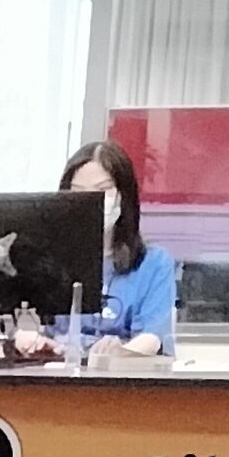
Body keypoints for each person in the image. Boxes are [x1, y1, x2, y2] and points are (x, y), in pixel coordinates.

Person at [62, 138, 179, 352]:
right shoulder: (52, 260)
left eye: (103, 190)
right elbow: (34, 327)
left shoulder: (154, 262)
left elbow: (153, 337)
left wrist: (120, 353)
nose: (90, 201)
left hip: (123, 379)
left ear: (124, 196)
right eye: (78, 191)